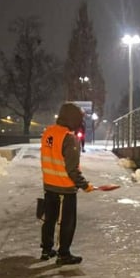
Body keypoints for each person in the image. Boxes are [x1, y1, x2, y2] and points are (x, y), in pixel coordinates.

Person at [39, 102, 97, 265]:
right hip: (65, 187)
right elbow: (72, 170)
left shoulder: (48, 133)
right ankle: (63, 254)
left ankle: (46, 249)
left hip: (49, 185)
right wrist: (84, 185)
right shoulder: (69, 139)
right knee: (67, 222)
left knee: (49, 219)